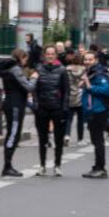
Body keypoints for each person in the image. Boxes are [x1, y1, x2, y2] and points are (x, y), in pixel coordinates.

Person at [31, 47, 70, 177]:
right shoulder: (39, 69)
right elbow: (34, 89)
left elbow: (66, 91)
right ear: (44, 55)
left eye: (52, 54)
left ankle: (57, 165)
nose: (50, 56)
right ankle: (42, 166)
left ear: (56, 55)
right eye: (48, 54)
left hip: (57, 108)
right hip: (42, 108)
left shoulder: (62, 70)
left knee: (59, 139)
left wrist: (64, 107)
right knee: (42, 138)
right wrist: (36, 105)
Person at [81, 48, 109, 178]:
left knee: (98, 140)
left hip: (98, 110)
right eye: (85, 60)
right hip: (93, 110)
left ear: (96, 60)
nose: (87, 62)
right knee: (96, 140)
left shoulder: (98, 73)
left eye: (90, 60)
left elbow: (106, 90)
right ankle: (97, 167)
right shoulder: (90, 72)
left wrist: (89, 85)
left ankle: (100, 168)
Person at [0, 47, 31, 176]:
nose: (26, 61)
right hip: (15, 105)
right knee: (13, 134)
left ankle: (8, 165)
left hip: (11, 103)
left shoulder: (8, 68)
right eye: (25, 58)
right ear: (21, 57)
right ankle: (7, 166)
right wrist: (34, 79)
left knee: (13, 133)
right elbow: (28, 87)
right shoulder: (15, 69)